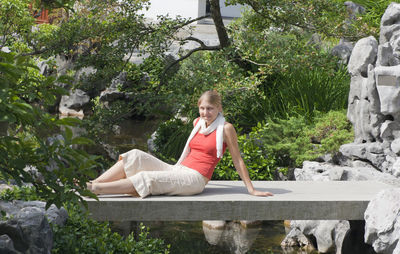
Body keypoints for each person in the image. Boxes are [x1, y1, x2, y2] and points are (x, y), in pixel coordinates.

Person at [87, 90, 273, 198]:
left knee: (147, 178)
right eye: (202, 108)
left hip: (195, 179)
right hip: (178, 170)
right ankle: (93, 182)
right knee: (135, 155)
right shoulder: (196, 124)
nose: (205, 113)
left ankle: (95, 189)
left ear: (219, 108)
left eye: (210, 108)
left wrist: (251, 189)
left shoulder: (226, 129)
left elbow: (238, 160)